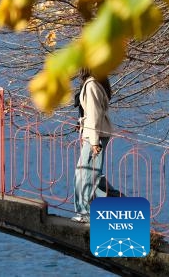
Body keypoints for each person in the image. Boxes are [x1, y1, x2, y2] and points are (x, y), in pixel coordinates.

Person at [72, 68, 117, 221]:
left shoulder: (91, 85)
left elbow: (93, 115)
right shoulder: (95, 83)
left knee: (86, 175)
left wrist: (94, 142)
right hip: (95, 134)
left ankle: (87, 213)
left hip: (95, 136)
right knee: (87, 173)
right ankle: (116, 201)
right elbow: (91, 115)